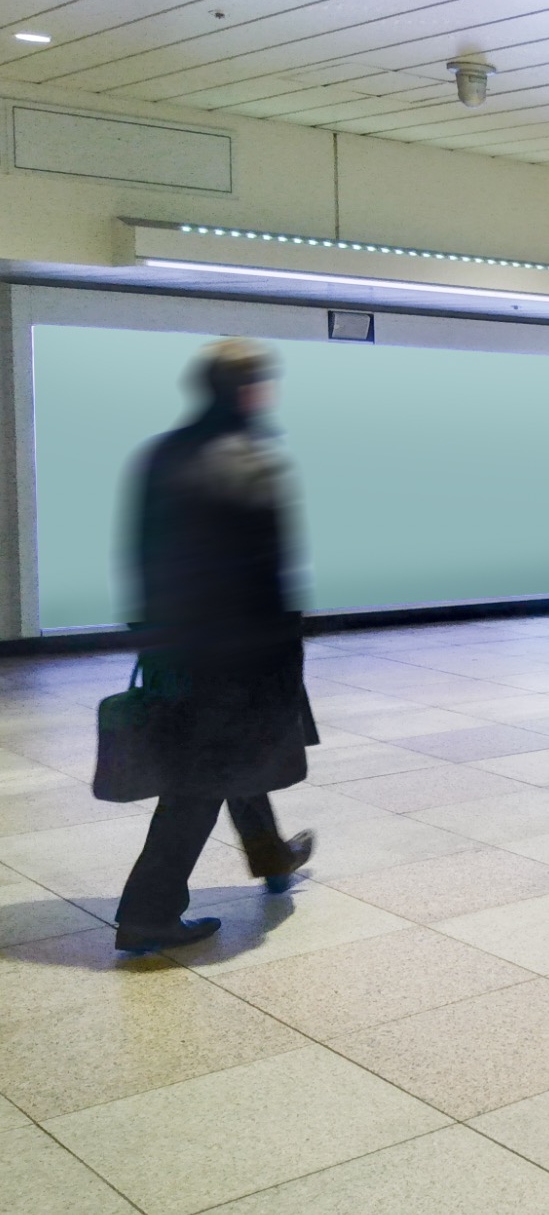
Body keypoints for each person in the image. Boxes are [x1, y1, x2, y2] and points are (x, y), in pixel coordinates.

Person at [112, 340, 316, 956]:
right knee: (202, 779)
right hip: (239, 656)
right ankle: (148, 912)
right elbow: (268, 573)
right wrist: (284, 660)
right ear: (252, 390)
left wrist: (151, 636)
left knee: (231, 759)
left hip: (175, 646)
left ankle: (272, 855)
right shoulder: (254, 459)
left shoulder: (160, 455)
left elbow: (141, 552)